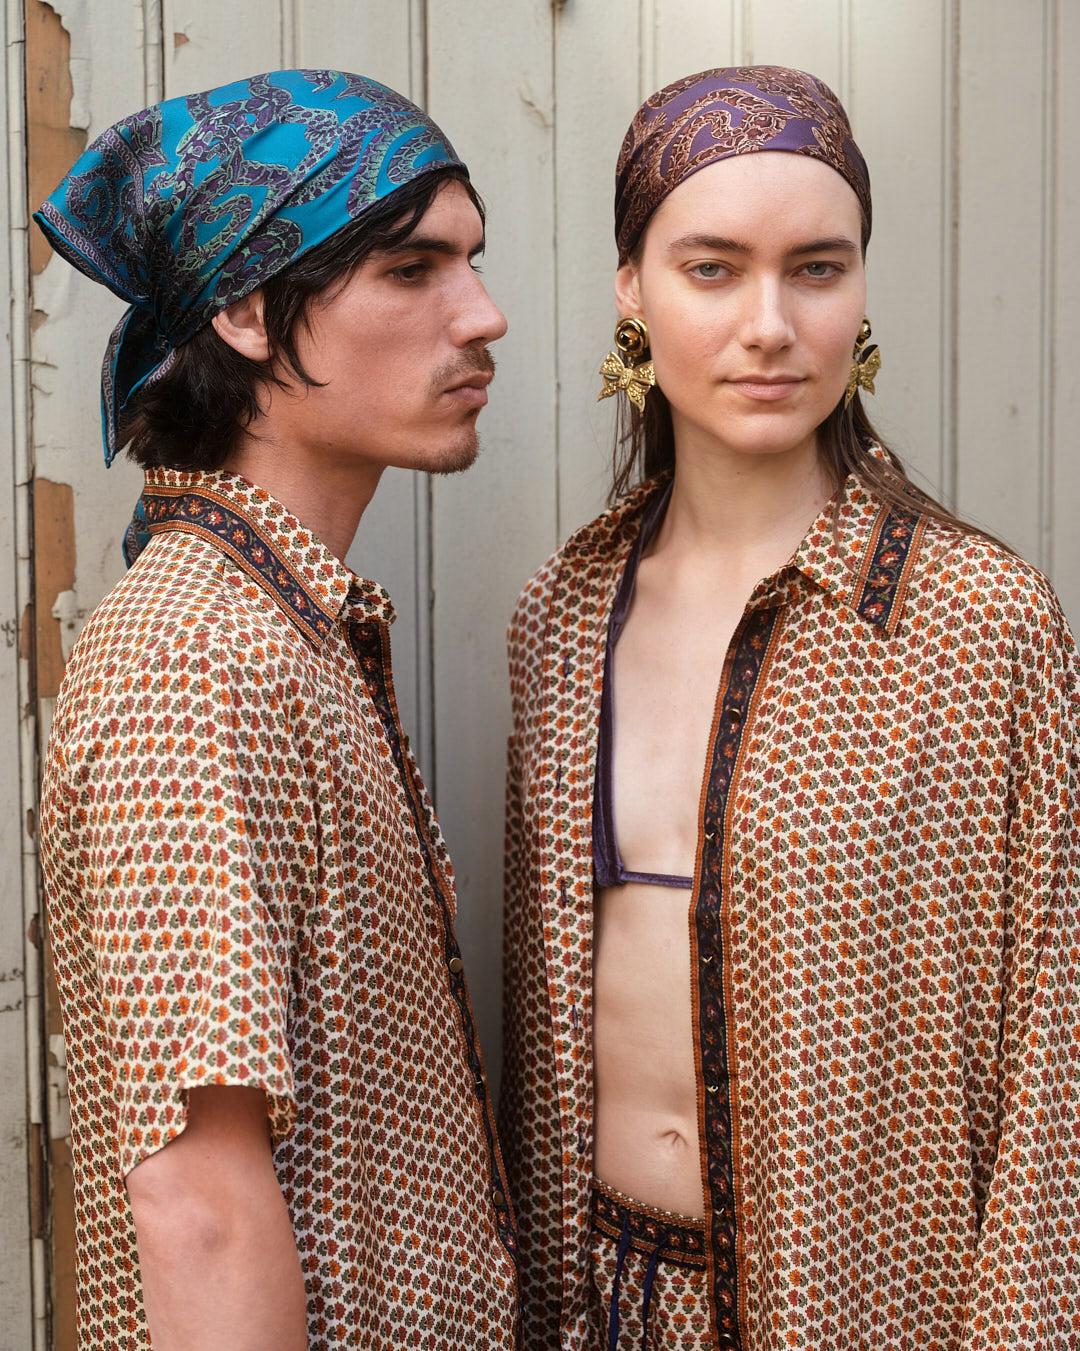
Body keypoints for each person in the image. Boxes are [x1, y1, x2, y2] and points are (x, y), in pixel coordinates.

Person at [500, 66, 1079, 1351]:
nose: (770, 324)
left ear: (861, 288)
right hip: (600, 1295)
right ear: (631, 289)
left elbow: (1059, 1054)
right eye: (712, 269)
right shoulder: (563, 614)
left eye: (817, 269)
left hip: (863, 1303)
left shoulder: (978, 624)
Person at [37, 69, 519, 1351]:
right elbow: (196, 1203)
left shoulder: (285, 627)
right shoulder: (193, 660)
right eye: (412, 270)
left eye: (471, 261)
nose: (484, 314)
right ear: (248, 310)